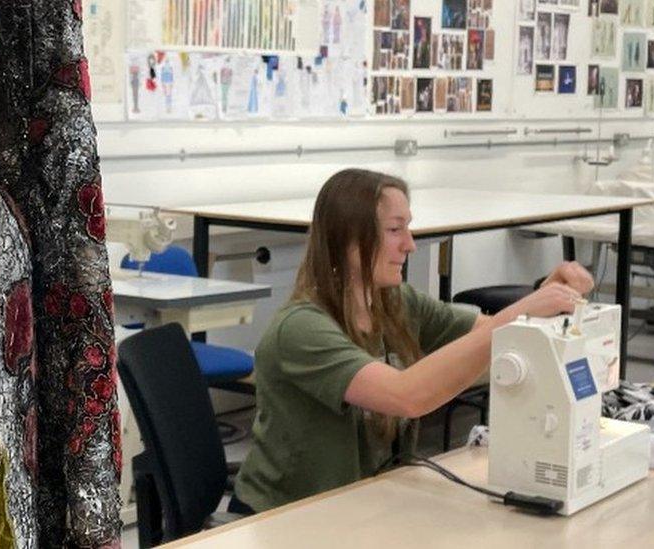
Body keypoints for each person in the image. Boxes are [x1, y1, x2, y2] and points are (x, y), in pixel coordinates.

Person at [231, 169, 595, 514]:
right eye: (394, 230)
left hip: (363, 503)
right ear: (349, 240)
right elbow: (406, 396)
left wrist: (546, 298)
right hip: (288, 516)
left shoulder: (395, 302)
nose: (410, 245)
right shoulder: (300, 329)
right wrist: (523, 313)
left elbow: (496, 334)